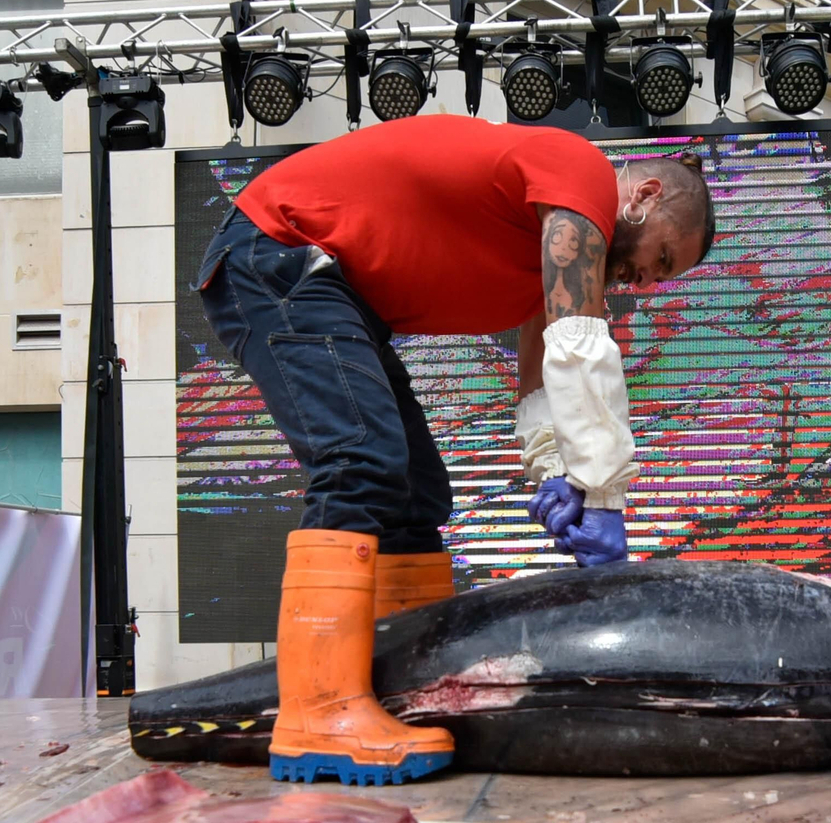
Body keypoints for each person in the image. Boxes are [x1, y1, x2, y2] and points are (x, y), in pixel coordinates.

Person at [189, 113, 716, 785]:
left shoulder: (549, 254)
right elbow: (581, 343)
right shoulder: (580, 175)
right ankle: (319, 712)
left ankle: (403, 691)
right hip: (281, 251)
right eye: (661, 259)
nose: (645, 280)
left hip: (332, 289)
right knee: (359, 462)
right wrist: (604, 493)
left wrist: (557, 471)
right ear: (643, 197)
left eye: (660, 279)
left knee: (415, 493)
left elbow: (544, 368)